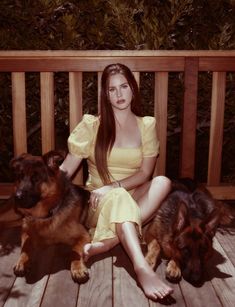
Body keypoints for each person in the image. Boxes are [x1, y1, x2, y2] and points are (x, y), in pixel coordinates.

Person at [60, 63, 173, 300]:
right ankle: (141, 268)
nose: (119, 94)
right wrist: (41, 184)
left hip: (129, 194)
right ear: (105, 94)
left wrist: (114, 186)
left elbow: (145, 173)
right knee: (120, 196)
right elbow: (67, 170)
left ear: (133, 88)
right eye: (112, 89)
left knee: (163, 181)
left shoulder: (147, 125)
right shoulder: (92, 126)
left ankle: (108, 243)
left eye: (124, 86)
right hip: (97, 203)